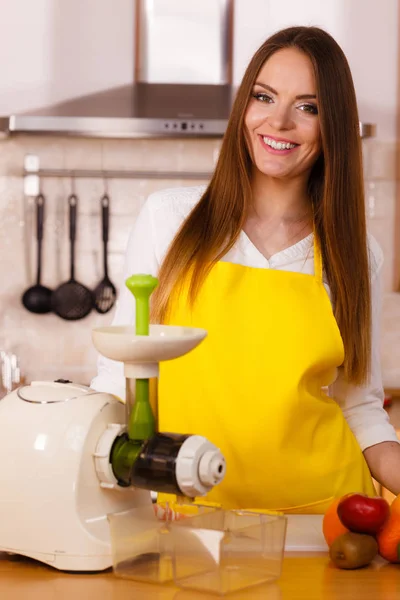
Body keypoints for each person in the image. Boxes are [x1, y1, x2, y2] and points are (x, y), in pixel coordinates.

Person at [91, 26, 400, 513]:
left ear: (332, 125)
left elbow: (359, 405)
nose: (277, 122)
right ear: (245, 107)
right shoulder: (170, 221)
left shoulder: (356, 252)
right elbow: (119, 378)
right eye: (264, 96)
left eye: (308, 107)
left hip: (321, 522)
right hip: (185, 520)